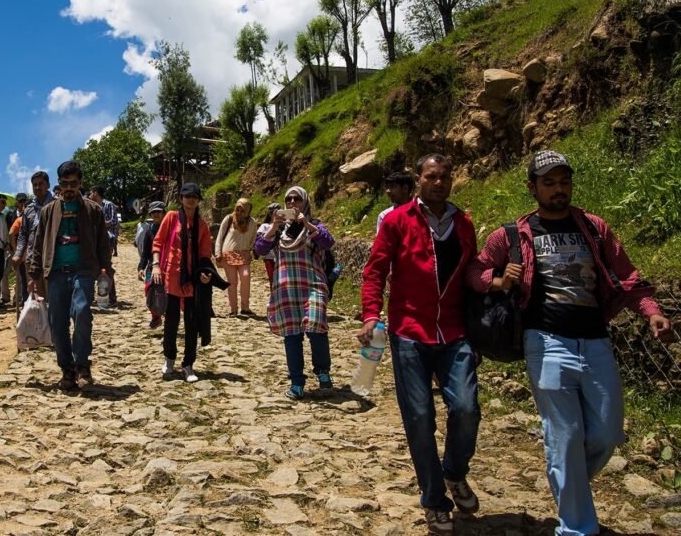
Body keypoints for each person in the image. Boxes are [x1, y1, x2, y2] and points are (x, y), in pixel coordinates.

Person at [466, 150, 673, 536]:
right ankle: (577, 527)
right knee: (565, 435)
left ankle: (567, 481)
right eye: (549, 182)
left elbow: (627, 276)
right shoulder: (511, 235)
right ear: (532, 188)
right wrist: (497, 281)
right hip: (544, 342)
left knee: (607, 432)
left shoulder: (594, 228)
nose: (559, 189)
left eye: (564, 181)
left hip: (595, 340)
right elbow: (475, 271)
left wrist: (651, 311)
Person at [360, 153, 481, 535]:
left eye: (445, 176)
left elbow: (472, 273)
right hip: (408, 332)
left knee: (466, 408)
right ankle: (433, 499)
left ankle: (454, 472)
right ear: (418, 179)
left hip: (454, 332)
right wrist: (370, 315)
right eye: (432, 176)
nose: (439, 182)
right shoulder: (398, 221)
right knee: (419, 418)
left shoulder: (463, 223)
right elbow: (375, 270)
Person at [28, 161, 113, 391]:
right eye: (64, 183)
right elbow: (37, 245)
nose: (68, 188)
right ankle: (67, 369)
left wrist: (106, 270)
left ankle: (83, 364)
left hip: (83, 270)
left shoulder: (92, 210)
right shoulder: (48, 212)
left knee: (83, 312)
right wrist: (34, 273)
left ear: (80, 182)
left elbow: (103, 244)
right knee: (58, 324)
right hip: (55, 274)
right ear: (59, 183)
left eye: (73, 183)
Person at [254, 187, 335, 399]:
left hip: (313, 284)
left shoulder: (315, 225)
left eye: (296, 198)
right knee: (292, 335)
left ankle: (322, 370)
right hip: (286, 287)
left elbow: (328, 242)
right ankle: (297, 382)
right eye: (288, 199)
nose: (292, 202)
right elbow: (260, 249)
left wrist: (305, 223)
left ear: (305, 201)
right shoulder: (278, 230)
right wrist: (273, 226)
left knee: (316, 327)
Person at [151, 183, 213, 383]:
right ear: (181, 198)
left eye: (195, 196)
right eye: (187, 196)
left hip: (192, 280)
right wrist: (155, 265)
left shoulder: (202, 226)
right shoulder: (171, 217)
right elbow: (158, 242)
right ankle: (169, 358)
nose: (191, 199)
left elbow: (204, 255)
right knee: (171, 322)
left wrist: (205, 273)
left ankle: (188, 364)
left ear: (199, 200)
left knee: (192, 324)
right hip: (171, 276)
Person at [12, 171, 55, 297]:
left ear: (48, 185)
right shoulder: (28, 209)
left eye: (41, 184)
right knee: (36, 298)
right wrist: (18, 254)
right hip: (31, 259)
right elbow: (23, 235)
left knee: (54, 298)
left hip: (52, 259)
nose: (37, 187)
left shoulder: (57, 205)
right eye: (34, 185)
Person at [214, 198, 258, 317]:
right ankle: (233, 309)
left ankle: (245, 307)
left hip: (243, 254)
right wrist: (218, 252)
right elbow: (220, 236)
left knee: (245, 276)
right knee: (232, 282)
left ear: (248, 211)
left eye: (242, 210)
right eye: (237, 209)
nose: (239, 212)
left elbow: (254, 237)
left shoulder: (252, 222)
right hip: (228, 254)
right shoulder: (229, 219)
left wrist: (248, 249)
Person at [137, 200, 167, 330]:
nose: (156, 214)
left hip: (167, 265)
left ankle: (168, 315)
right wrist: (140, 268)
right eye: (153, 212)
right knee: (149, 290)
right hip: (151, 266)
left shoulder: (170, 230)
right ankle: (156, 316)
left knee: (166, 293)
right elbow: (145, 253)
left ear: (163, 213)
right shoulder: (149, 232)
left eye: (158, 212)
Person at [89, 186, 119, 303]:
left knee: (105, 267)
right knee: (95, 267)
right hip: (94, 240)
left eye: (91, 192)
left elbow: (113, 221)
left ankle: (110, 297)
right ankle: (99, 295)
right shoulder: (91, 206)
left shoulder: (108, 205)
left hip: (107, 240)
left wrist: (100, 224)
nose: (90, 195)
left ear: (96, 193)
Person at [257, 203, 282, 285]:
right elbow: (259, 239)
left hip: (281, 257)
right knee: (273, 280)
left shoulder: (284, 225)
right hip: (269, 257)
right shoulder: (265, 226)